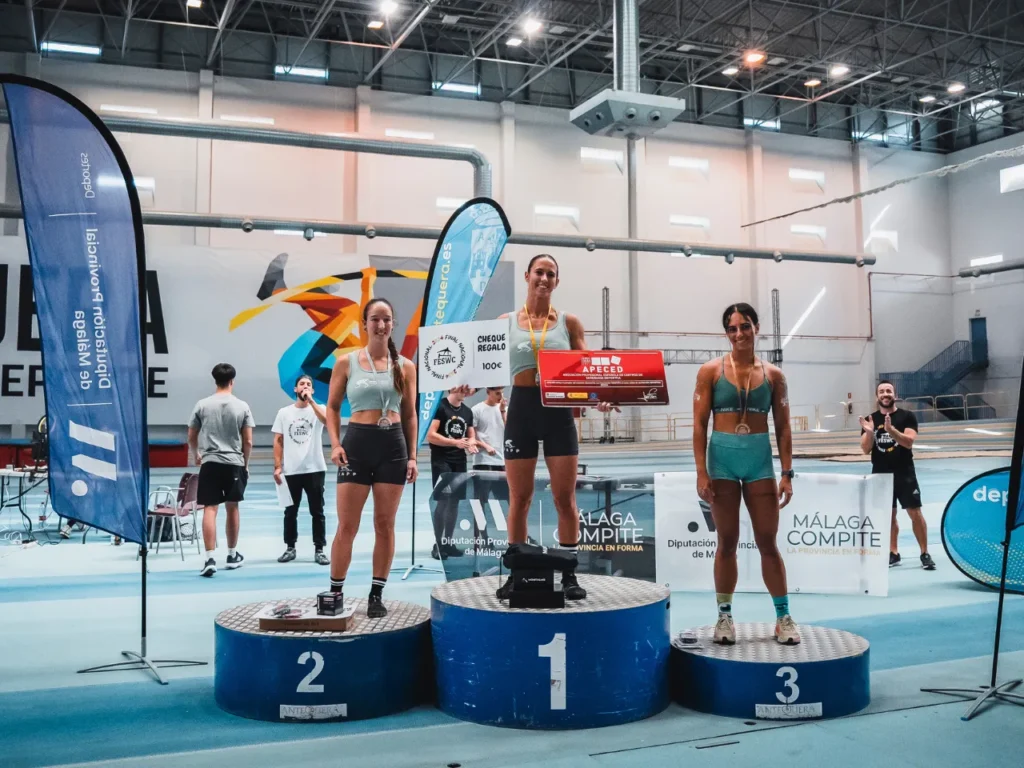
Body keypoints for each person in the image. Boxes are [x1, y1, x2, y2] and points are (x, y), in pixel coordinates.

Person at [497, 254, 615, 601]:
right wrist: (463, 384)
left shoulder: (568, 322)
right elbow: (482, 366)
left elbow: (590, 370)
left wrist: (601, 397)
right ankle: (517, 572)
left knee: (565, 499)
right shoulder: (505, 322)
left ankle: (568, 575)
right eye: (539, 272)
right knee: (520, 498)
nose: (544, 278)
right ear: (527, 276)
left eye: (551, 274)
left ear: (557, 282)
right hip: (520, 409)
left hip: (558, 414)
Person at [692, 303, 800, 645]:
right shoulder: (710, 371)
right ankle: (724, 617)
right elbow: (698, 424)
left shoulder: (773, 376)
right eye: (733, 328)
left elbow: (783, 429)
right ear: (727, 333)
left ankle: (783, 617)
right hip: (721, 461)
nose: (739, 333)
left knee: (768, 542)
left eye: (745, 326)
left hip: (758, 462)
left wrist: (787, 473)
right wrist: (701, 472)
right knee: (726, 542)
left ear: (756, 328)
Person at [325, 298, 418, 619]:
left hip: (392, 448)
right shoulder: (346, 362)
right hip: (357, 446)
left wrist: (413, 456)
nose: (381, 325)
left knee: (385, 524)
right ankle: (335, 591)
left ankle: (376, 593)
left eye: (387, 320)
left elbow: (409, 415)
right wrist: (335, 444)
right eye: (375, 319)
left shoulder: (405, 366)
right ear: (364, 324)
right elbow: (333, 408)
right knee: (347, 526)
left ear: (392, 324)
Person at [187, 363, 254, 578]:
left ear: (215, 380)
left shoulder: (202, 405)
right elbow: (249, 441)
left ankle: (209, 558)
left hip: (210, 462)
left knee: (210, 508)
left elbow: (191, 434)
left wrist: (196, 453)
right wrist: (245, 464)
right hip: (234, 462)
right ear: (232, 381)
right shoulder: (242, 406)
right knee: (232, 507)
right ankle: (232, 555)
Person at [860, 381, 936, 570]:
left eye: (888, 391)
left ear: (895, 394)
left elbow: (909, 442)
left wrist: (891, 430)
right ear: (877, 396)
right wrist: (870, 433)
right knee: (888, 515)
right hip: (880, 474)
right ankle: (893, 552)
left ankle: (924, 553)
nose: (885, 394)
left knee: (915, 513)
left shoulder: (907, 416)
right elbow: (865, 449)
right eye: (881, 391)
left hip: (904, 473)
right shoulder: (871, 419)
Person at [273, 375, 329, 566]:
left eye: (308, 385)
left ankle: (319, 549)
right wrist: (278, 466)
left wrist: (312, 402)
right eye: (302, 384)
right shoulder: (284, 413)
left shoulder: (319, 409)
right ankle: (290, 547)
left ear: (312, 390)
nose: (305, 387)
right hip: (291, 470)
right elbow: (278, 440)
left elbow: (328, 422)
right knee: (290, 511)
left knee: (317, 511)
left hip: (315, 468)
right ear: (295, 389)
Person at [427, 387, 478, 560]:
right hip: (442, 461)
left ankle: (448, 541)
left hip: (459, 461)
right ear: (452, 387)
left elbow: (471, 434)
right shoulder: (440, 407)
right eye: (462, 387)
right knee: (443, 501)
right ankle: (438, 543)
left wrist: (471, 444)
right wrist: (454, 442)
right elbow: (431, 435)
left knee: (455, 503)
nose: (466, 390)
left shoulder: (467, 411)